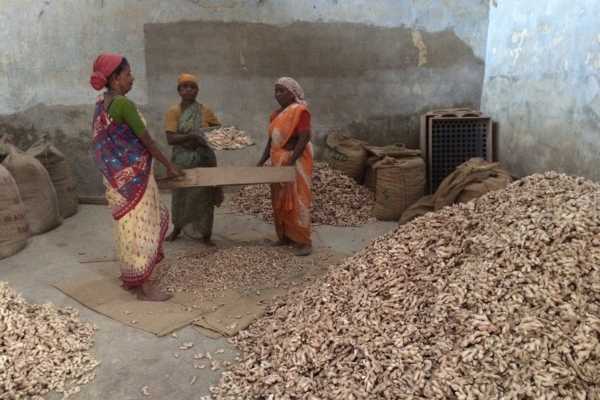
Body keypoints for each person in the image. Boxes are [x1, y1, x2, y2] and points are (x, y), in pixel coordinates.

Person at [90, 53, 183, 301]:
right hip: (134, 179)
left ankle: (131, 278)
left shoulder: (102, 103)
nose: (132, 79)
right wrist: (169, 165)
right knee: (143, 227)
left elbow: (102, 145)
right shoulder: (123, 105)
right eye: (128, 74)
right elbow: (147, 140)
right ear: (116, 78)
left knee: (127, 228)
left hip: (115, 179)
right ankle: (145, 286)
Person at [163, 73, 224, 244]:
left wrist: (208, 135)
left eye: (193, 87)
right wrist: (192, 136)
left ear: (197, 90)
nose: (189, 90)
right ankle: (177, 228)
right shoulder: (173, 111)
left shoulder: (205, 111)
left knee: (204, 196)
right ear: (179, 90)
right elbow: (170, 139)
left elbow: (217, 131)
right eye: (185, 87)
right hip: (182, 160)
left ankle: (206, 234)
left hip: (204, 159)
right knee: (181, 194)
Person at [257, 77, 313, 256]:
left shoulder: (300, 111)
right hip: (277, 161)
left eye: (282, 91)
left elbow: (304, 137)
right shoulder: (275, 115)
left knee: (297, 200)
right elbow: (271, 142)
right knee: (279, 199)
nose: (277, 95)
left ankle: (304, 241)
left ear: (293, 93)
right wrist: (261, 161)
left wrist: (291, 160)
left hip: (296, 162)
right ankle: (285, 236)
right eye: (276, 91)